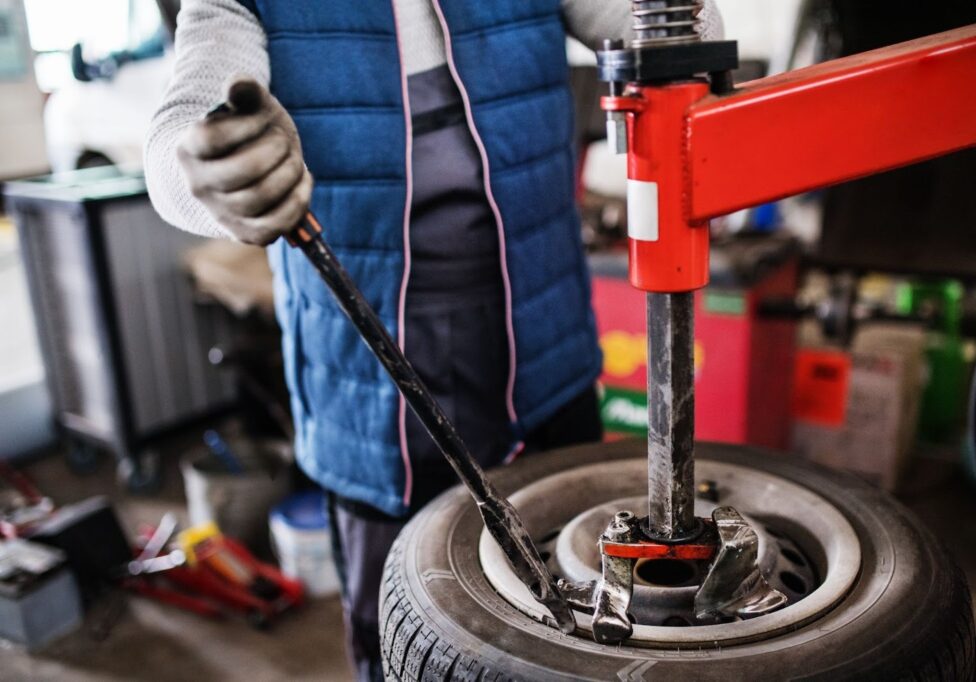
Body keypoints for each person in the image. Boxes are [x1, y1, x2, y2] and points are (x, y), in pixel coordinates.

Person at [144, 1, 723, 678]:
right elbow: (183, 127)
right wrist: (214, 171)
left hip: (543, 352)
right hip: (369, 392)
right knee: (403, 636)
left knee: (582, 623)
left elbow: (669, 28)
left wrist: (685, 34)